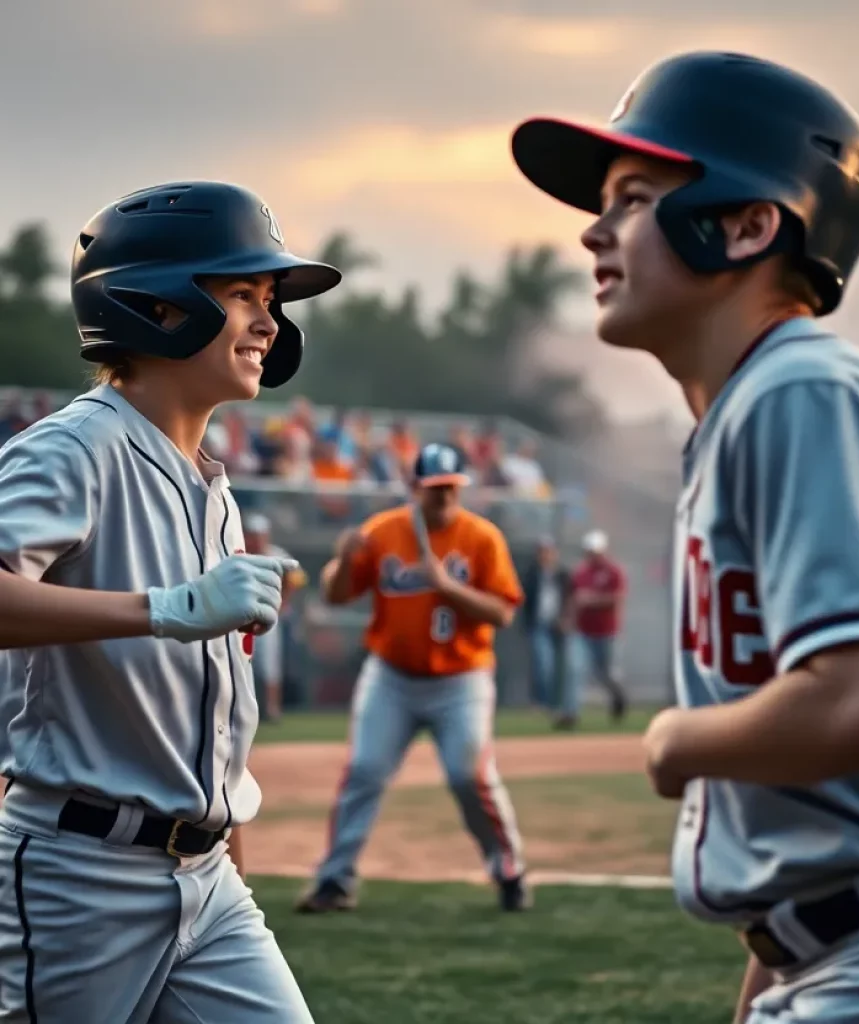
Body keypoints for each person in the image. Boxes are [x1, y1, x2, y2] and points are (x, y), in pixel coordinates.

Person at [512, 50, 859, 1023]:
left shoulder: (802, 392)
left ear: (745, 225)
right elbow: (814, 836)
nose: (593, 230)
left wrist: (676, 739)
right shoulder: (753, 409)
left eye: (632, 197)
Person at [0, 180, 341, 1023]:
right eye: (240, 295)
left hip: (206, 880)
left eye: (269, 301)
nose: (269, 323)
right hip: (76, 875)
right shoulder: (77, 448)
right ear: (155, 308)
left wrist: (226, 838)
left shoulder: (208, 483)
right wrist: (162, 607)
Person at [296, 442, 530, 913]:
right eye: (433, 489)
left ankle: (508, 871)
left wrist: (447, 586)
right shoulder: (384, 532)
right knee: (364, 770)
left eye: (450, 488)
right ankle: (335, 880)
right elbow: (338, 594)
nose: (443, 498)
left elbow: (502, 613)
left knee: (470, 777)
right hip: (392, 678)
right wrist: (341, 561)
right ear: (413, 489)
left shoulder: (481, 538)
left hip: (461, 679)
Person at [242, 512, 308, 723]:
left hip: (267, 616)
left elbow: (296, 579)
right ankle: (241, 708)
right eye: (252, 534)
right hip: (240, 618)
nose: (255, 538)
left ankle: (272, 708)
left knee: (270, 665)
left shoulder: (276, 554)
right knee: (241, 664)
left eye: (259, 534)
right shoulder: (239, 553)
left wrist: (282, 603)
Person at [561, 530, 628, 728]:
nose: (592, 555)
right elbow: (573, 599)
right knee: (574, 669)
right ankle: (570, 713)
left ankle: (618, 698)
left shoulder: (614, 572)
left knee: (605, 673)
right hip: (582, 631)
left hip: (607, 632)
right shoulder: (580, 572)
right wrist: (568, 619)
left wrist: (591, 599)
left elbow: (617, 599)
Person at [520, 536, 572, 712]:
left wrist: (566, 619)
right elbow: (524, 600)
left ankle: (558, 703)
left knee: (563, 667)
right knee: (543, 664)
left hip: (559, 626)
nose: (545, 555)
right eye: (542, 552)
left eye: (549, 551)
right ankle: (542, 702)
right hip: (539, 625)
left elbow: (570, 599)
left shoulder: (563, 575)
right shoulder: (532, 574)